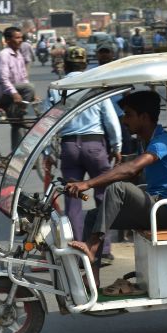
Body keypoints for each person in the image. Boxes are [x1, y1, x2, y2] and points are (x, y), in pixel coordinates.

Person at [66, 91, 167, 288]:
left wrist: (87, 184)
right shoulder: (145, 141)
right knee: (93, 216)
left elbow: (130, 170)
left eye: (129, 114)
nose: (124, 120)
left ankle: (93, 246)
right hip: (153, 206)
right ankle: (92, 277)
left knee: (119, 188)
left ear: (144, 117)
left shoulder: (162, 142)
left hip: (165, 211)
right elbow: (130, 170)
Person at [47, 46, 122, 267]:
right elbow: (110, 119)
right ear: (85, 64)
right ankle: (103, 249)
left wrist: (48, 153)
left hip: (69, 146)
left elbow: (47, 123)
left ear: (66, 65)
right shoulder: (94, 86)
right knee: (104, 197)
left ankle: (76, 247)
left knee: (73, 199)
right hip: (95, 146)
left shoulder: (57, 88)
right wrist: (117, 145)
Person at [0, 27, 36, 151]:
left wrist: (32, 94)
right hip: (2, 93)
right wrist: (15, 93)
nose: (20, 40)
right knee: (29, 88)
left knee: (16, 126)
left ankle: (15, 157)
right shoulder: (4, 55)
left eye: (21, 37)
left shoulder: (19, 55)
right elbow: (4, 78)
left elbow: (23, 78)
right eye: (17, 38)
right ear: (8, 40)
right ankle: (20, 115)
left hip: (12, 92)